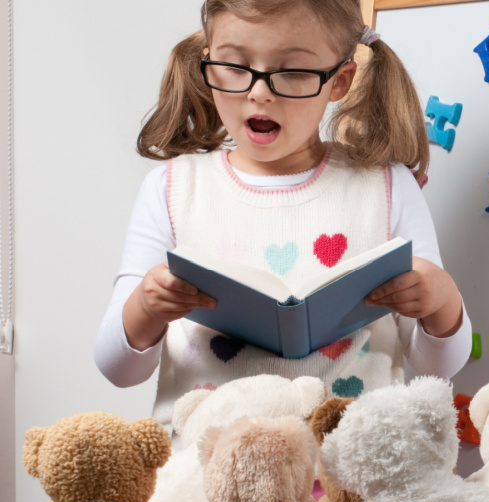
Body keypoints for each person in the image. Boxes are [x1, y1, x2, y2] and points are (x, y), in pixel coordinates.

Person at [94, 0, 470, 427]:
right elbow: (117, 368)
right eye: (235, 66)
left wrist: (441, 300)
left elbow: (438, 368)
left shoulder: (385, 186)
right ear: (207, 63)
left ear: (339, 81)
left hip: (348, 473)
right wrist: (146, 307)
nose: (259, 92)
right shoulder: (173, 188)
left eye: (292, 71)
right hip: (207, 473)